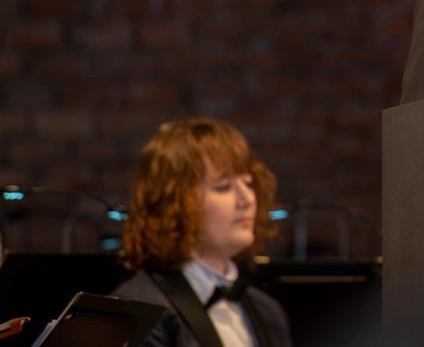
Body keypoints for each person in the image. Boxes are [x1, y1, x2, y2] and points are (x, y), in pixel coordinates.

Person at [114, 118, 292, 347]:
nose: (247, 199)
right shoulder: (142, 309)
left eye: (248, 183)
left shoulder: (267, 311)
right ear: (175, 202)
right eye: (223, 187)